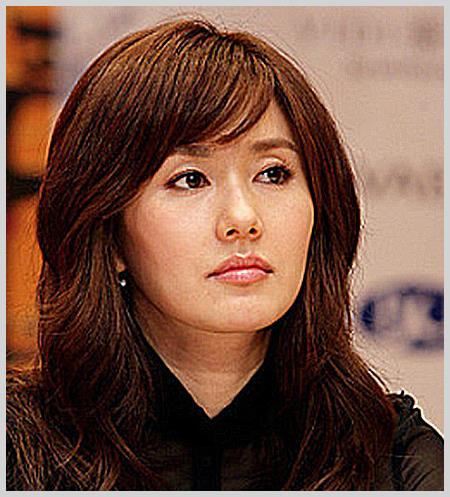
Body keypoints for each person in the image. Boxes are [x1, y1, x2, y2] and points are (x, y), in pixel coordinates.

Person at [6, 18, 443, 491]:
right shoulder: (19, 450)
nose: (243, 217)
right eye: (190, 179)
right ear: (108, 234)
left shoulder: (393, 456)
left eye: (273, 173)